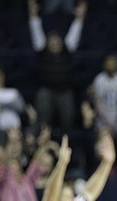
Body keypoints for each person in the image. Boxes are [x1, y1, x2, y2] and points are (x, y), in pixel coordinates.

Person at [27, 0, 86, 132]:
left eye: (57, 41)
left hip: (64, 90)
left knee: (68, 121)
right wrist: (32, 15)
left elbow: (75, 33)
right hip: (46, 90)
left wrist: (80, 17)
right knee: (43, 122)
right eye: (51, 41)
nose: (54, 43)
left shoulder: (68, 49)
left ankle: (67, 142)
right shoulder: (41, 50)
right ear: (47, 43)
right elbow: (35, 30)